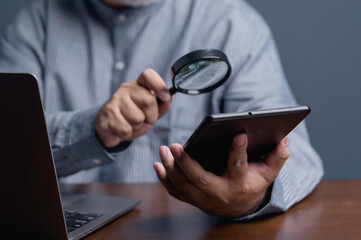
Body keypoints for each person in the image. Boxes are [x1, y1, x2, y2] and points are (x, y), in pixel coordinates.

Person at [0, 0, 323, 219]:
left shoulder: (232, 24)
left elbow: (300, 159)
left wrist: (253, 198)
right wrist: (93, 129)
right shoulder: (35, 23)